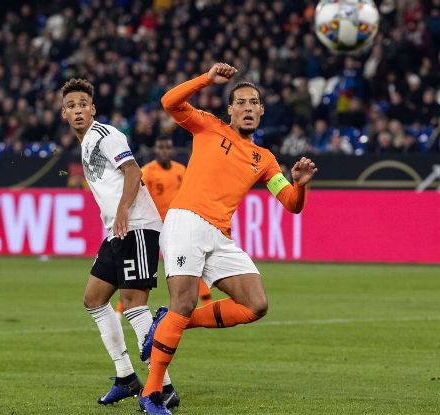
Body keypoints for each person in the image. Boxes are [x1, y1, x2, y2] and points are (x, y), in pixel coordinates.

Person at [138, 63, 318, 414]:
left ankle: (172, 321)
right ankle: (151, 393)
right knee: (184, 302)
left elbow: (291, 205)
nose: (248, 107)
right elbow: (169, 102)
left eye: (254, 102)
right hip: (187, 220)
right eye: (241, 102)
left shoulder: (264, 159)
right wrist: (206, 79)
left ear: (262, 110)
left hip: (219, 234)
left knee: (256, 304)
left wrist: (298, 183)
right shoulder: (207, 126)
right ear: (231, 110)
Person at [59, 79, 179, 409]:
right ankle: (126, 377)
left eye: (83, 103)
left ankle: (162, 389)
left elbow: (132, 171)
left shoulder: (105, 135)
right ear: (64, 114)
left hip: (136, 226)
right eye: (71, 106)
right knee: (94, 299)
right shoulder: (84, 146)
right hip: (117, 232)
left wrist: (124, 209)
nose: (78, 109)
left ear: (92, 109)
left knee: (135, 306)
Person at [115, 137, 213, 316]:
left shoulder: (180, 170)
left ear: (172, 150)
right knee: (141, 269)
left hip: (176, 227)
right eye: (161, 147)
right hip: (153, 227)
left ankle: (207, 303)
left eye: (168, 147)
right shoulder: (147, 172)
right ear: (156, 149)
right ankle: (120, 309)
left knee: (190, 263)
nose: (164, 151)